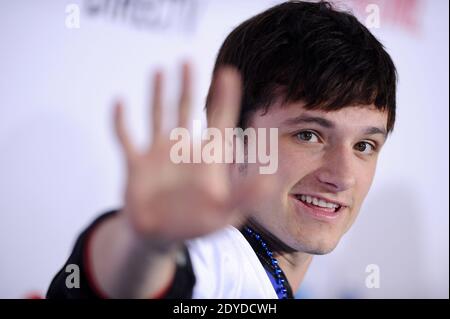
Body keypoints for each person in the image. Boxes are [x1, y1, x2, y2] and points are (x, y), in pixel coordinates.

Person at [47, 0, 397, 299]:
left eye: (365, 145)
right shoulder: (219, 257)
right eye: (308, 135)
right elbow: (139, 281)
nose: (343, 176)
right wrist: (149, 244)